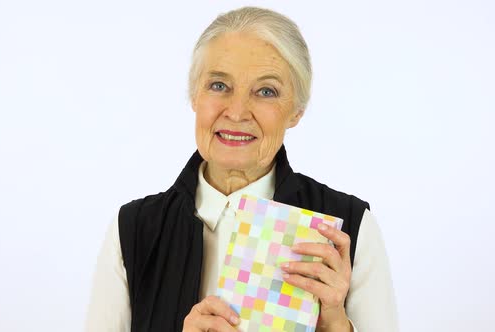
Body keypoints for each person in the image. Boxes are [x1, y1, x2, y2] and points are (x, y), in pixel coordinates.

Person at [85, 6, 398, 332]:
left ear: (296, 111)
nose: (236, 112)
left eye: (266, 91)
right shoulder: (133, 231)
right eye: (219, 85)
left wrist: (334, 324)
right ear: (194, 95)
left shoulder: (350, 228)